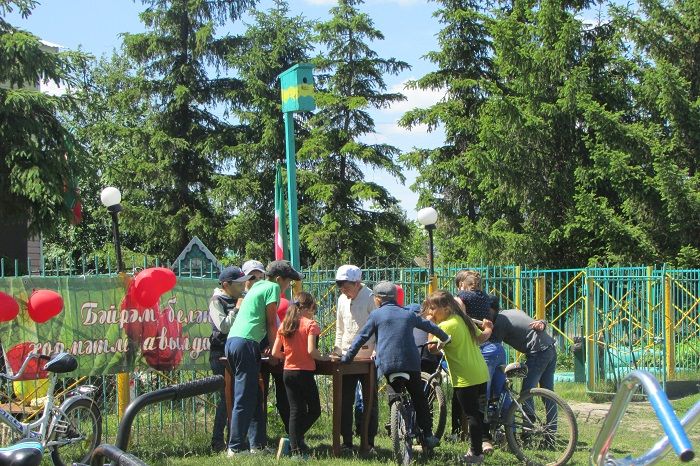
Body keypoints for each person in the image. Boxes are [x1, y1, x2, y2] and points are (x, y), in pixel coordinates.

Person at [341, 282, 450, 450]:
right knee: (418, 397)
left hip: (388, 364)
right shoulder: (408, 314)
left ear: (378, 299)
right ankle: (427, 435)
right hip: (411, 363)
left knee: (394, 393)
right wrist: (445, 337)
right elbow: (430, 326)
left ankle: (395, 420)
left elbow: (361, 337)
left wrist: (348, 357)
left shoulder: (376, 315)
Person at [225, 260, 302, 456]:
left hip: (233, 342)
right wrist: (276, 351)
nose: (287, 287)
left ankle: (256, 445)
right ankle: (234, 447)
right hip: (246, 343)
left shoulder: (256, 286)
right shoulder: (272, 288)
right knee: (244, 396)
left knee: (255, 395)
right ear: (278, 279)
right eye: (288, 282)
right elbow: (270, 323)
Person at [426, 290, 492, 464]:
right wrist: (489, 328)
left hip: (465, 377)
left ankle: (476, 455)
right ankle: (476, 449)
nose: (430, 313)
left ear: (446, 308)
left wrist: (430, 326)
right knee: (477, 414)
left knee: (471, 415)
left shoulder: (447, 326)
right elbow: (481, 338)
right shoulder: (464, 319)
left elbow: (432, 348)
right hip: (480, 372)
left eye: (433, 309)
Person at [454, 270, 505, 454]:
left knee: (479, 399)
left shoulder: (461, 297)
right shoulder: (488, 298)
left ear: (463, 285)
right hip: (497, 348)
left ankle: (484, 440)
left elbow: (461, 319)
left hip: (482, 347)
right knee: (496, 394)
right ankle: (508, 432)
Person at [271, 292, 327, 458]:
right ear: (308, 308)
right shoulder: (311, 324)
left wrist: (288, 355)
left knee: (296, 410)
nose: (313, 312)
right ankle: (293, 441)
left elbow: (275, 352)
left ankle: (294, 447)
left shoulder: (285, 325)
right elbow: (312, 351)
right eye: (313, 309)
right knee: (314, 410)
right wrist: (325, 357)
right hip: (304, 373)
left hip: (288, 372)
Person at [242, 260, 291, 438]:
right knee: (255, 395)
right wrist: (272, 347)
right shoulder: (268, 290)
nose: (255, 279)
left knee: (283, 393)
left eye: (259, 275)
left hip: (269, 348)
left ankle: (291, 435)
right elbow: (269, 323)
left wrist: (274, 347)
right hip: (254, 347)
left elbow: (276, 325)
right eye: (251, 276)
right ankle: (254, 439)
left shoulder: (266, 291)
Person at [332, 264, 378, 452]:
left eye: (346, 286)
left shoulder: (370, 297)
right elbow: (339, 328)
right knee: (344, 399)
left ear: (357, 283)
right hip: (346, 356)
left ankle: (368, 442)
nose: (343, 290)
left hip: (368, 357)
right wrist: (337, 350)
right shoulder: (342, 299)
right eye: (340, 286)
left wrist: (377, 350)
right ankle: (347, 441)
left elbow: (379, 326)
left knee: (370, 400)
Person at [208, 266, 250, 452]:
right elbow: (224, 327)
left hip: (238, 352)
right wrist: (237, 310)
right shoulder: (217, 300)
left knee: (239, 396)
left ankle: (237, 438)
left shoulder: (243, 297)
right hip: (220, 354)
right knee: (226, 398)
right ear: (226, 284)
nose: (243, 285)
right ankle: (217, 442)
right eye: (239, 283)